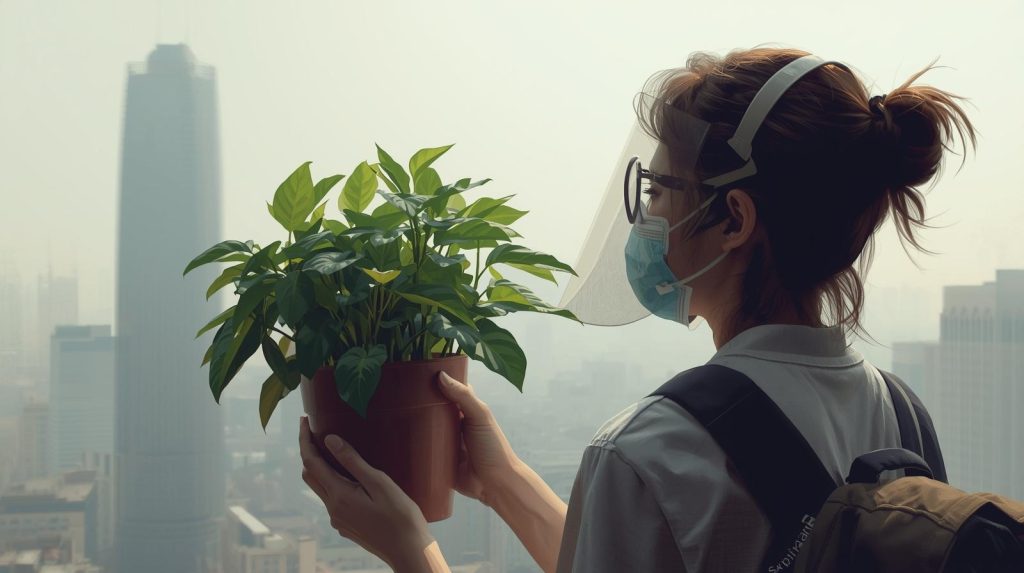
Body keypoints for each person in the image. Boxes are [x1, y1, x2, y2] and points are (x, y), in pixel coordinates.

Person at [298, 46, 977, 573]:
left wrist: (411, 550)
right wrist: (503, 481)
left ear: (734, 220)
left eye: (658, 190)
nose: (646, 214)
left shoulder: (654, 450)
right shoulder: (905, 425)